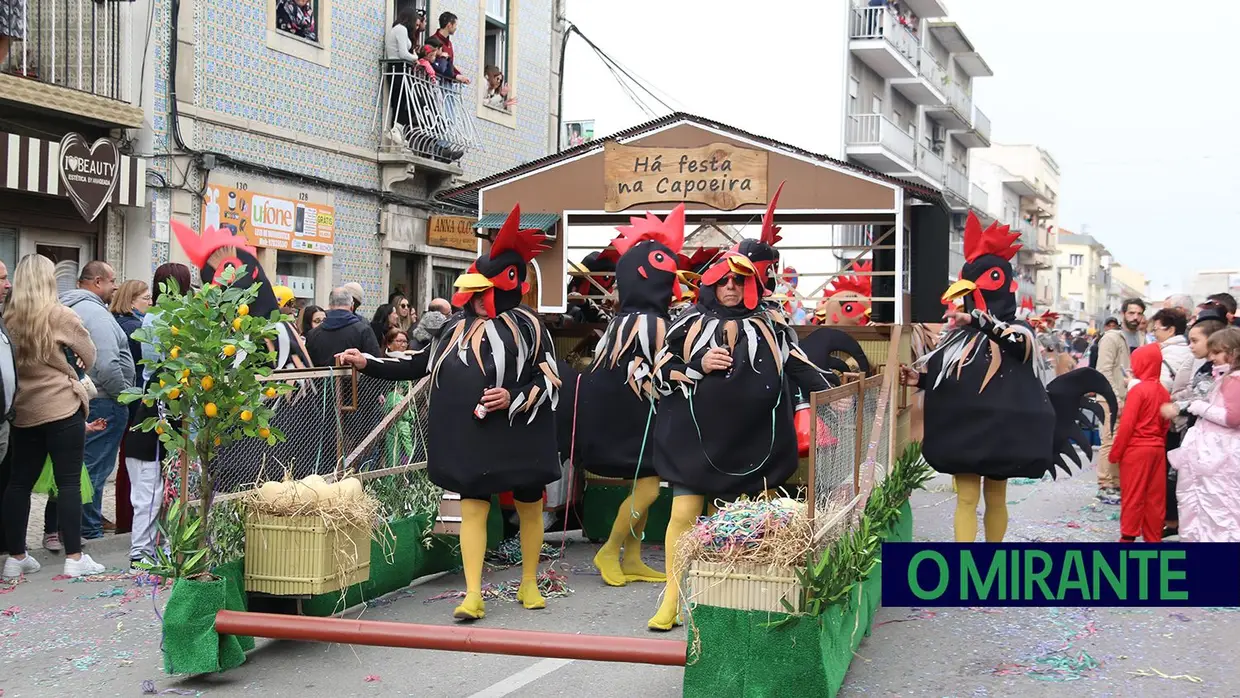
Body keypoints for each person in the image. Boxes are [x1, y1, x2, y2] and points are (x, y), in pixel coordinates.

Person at [337, 204, 560, 622]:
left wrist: (513, 397)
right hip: (471, 441)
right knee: (474, 505)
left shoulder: (532, 328)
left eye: (484, 290)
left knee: (529, 503)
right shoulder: (453, 327)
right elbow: (417, 363)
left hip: (520, 437)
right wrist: (367, 361)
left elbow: (549, 380)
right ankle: (473, 593)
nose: (476, 298)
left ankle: (529, 580)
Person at [648, 191, 832, 631]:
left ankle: (736, 601)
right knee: (681, 516)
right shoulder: (687, 322)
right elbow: (657, 371)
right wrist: (697, 364)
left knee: (750, 527)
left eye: (739, 281)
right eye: (723, 281)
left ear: (751, 285)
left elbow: (799, 364)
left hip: (756, 446)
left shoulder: (772, 324)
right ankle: (671, 598)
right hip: (694, 443)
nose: (730, 288)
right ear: (710, 282)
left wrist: (838, 392)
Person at [903, 213, 1116, 546]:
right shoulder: (956, 337)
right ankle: (966, 564)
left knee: (996, 498)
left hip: (1000, 433)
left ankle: (991, 559)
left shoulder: (1018, 330)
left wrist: (980, 322)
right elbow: (948, 379)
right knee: (967, 498)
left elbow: (1017, 345)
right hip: (965, 432)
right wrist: (919, 378)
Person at [574, 206, 692, 589]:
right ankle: (610, 549)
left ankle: (635, 556)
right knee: (648, 486)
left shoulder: (620, 322)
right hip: (637, 418)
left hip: (625, 416)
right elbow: (664, 369)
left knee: (644, 483)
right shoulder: (653, 323)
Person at [2, 255, 106, 579]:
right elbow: (90, 355)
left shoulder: (9, 318)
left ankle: (15, 555)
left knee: (18, 483)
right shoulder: (61, 315)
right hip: (62, 409)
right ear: (49, 281)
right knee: (68, 483)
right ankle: (74, 557)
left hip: (24, 410)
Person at [125, 263, 193, 571]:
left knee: (156, 488)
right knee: (159, 486)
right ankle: (150, 550)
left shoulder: (152, 317)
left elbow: (149, 368)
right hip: (164, 409)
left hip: (158, 405)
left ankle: (155, 549)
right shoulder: (173, 319)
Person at [61, 261, 134, 540]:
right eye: (113, 280)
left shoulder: (70, 306)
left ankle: (72, 527)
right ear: (97, 282)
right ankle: (88, 529)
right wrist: (123, 395)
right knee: (94, 467)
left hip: (85, 397)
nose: (116, 287)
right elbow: (107, 363)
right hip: (104, 400)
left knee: (82, 465)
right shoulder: (96, 313)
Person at [1166, 327, 1240, 541]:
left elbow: (1233, 418)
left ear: (1232, 352)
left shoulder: (1234, 379)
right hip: (1216, 451)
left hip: (1219, 454)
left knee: (1217, 508)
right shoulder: (1229, 377)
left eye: (1216, 353)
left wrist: (1197, 406)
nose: (1212, 358)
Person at [1108, 343, 1170, 542]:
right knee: (1155, 499)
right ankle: (1153, 539)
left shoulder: (1138, 391)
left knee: (1133, 496)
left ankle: (1128, 538)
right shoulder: (1163, 391)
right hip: (1157, 449)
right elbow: (1165, 424)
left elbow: (1126, 426)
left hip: (1136, 450)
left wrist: (1115, 453)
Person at [1093, 298, 1146, 504]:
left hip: (1132, 395)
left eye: (1139, 313)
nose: (1135, 317)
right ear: (1123, 314)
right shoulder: (1112, 337)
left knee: (1123, 441)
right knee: (1110, 440)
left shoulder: (1141, 337)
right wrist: (1115, 398)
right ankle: (1105, 484)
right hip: (1111, 397)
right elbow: (1104, 369)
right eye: (1131, 313)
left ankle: (1117, 483)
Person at [109, 279, 151, 536]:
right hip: (134, 401)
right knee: (130, 463)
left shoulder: (114, 321)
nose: (150, 302)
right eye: (145, 298)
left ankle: (122, 519)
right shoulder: (135, 328)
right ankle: (126, 520)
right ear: (132, 300)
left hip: (125, 398)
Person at [306, 288, 381, 367]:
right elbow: (375, 363)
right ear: (352, 306)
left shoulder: (313, 334)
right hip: (355, 379)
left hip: (322, 378)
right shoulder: (363, 331)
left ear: (330, 306)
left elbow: (308, 364)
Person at [386, 4, 421, 141]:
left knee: (400, 102)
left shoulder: (398, 29)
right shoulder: (401, 29)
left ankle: (396, 130)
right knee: (409, 101)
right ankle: (396, 129)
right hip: (398, 68)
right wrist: (416, 58)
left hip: (398, 68)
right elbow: (403, 53)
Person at [431, 11, 470, 84]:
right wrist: (456, 76)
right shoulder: (433, 40)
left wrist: (459, 75)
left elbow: (449, 64)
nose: (456, 28)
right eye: (455, 25)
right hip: (437, 83)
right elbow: (434, 64)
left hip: (447, 84)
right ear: (449, 25)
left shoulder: (449, 44)